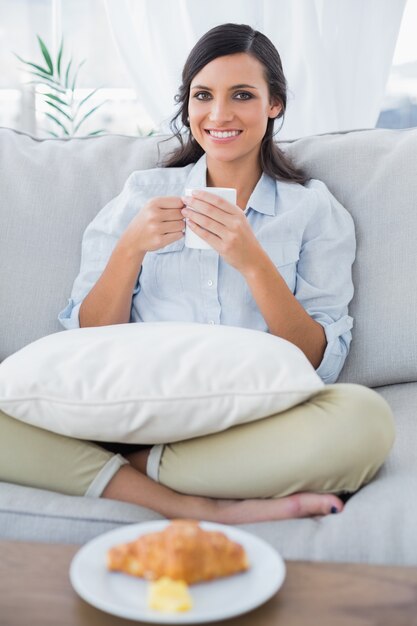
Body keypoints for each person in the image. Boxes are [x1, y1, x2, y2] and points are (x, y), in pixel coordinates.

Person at [0, 23, 395, 524]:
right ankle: (187, 501)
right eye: (203, 95)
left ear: (275, 105)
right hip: (127, 409)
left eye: (243, 95)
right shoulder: (141, 195)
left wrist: (253, 262)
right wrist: (130, 250)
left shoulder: (313, 210)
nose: (219, 114)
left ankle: (127, 471)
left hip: (249, 423)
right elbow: (89, 341)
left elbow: (317, 361)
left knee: (365, 422)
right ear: (187, 105)